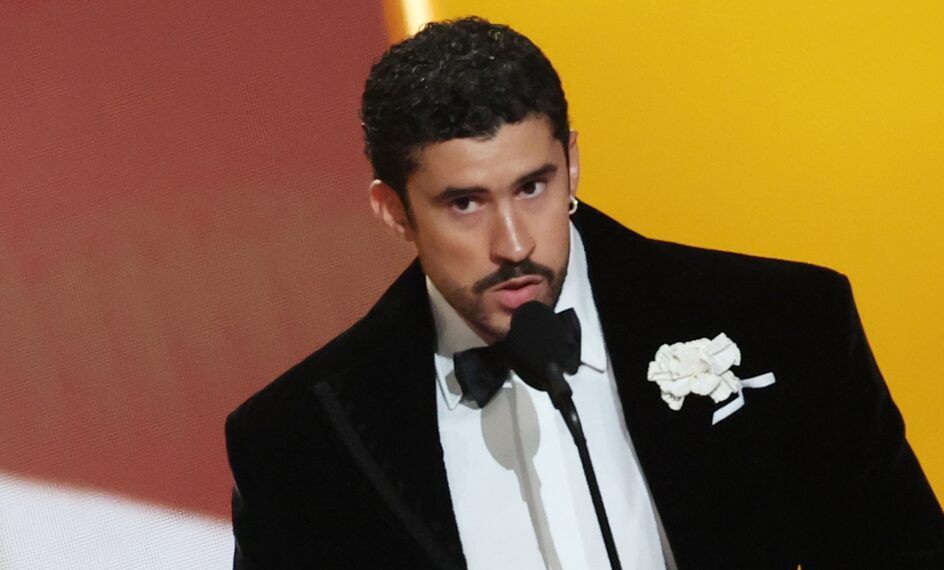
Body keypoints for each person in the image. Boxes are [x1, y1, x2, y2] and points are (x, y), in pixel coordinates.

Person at [225, 17, 943, 569]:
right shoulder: (297, 442)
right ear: (392, 210)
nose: (514, 243)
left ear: (572, 161)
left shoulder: (783, 325)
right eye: (465, 204)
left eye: (532, 187)